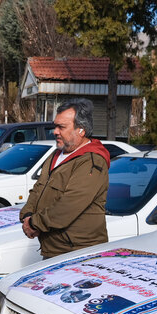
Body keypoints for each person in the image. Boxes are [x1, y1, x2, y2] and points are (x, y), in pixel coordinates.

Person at [20, 98, 110, 258]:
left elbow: (68, 206)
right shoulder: (56, 155)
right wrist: (27, 215)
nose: (55, 131)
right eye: (55, 126)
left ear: (81, 130)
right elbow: (38, 189)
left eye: (61, 127)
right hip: (53, 249)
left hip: (77, 253)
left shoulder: (91, 160)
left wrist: (35, 223)